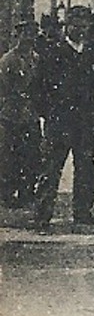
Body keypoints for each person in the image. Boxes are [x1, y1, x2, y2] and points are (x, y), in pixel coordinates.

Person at [33, 5, 94, 230]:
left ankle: (82, 212)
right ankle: (42, 215)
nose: (80, 31)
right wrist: (49, 114)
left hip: (86, 122)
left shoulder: (91, 52)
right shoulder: (53, 52)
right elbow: (39, 87)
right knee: (51, 168)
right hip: (60, 122)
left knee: (86, 167)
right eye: (76, 26)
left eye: (84, 27)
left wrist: (93, 114)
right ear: (67, 26)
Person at [0, 16, 43, 209]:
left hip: (30, 114)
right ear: (18, 36)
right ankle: (7, 193)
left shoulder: (36, 59)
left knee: (32, 154)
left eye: (32, 34)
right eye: (25, 34)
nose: (28, 38)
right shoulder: (8, 60)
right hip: (11, 115)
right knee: (10, 155)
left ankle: (27, 191)